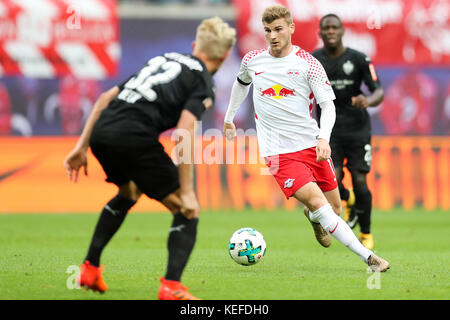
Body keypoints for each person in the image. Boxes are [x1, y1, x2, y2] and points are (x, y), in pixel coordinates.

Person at [64, 16, 236, 300]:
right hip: (134, 135)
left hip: (103, 131)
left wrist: (81, 147)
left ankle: (90, 268)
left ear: (195, 45)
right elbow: (183, 133)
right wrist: (189, 193)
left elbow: (106, 97)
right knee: (186, 209)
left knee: (130, 190)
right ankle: (172, 287)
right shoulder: (203, 81)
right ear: (225, 55)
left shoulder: (164, 58)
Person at [223, 5, 389, 272]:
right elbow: (241, 84)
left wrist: (323, 139)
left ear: (291, 28)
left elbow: (329, 106)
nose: (273, 35)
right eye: (268, 31)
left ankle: (314, 218)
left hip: (311, 145)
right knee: (317, 202)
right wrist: (229, 118)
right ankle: (369, 258)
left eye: (278, 29)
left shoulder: (308, 63)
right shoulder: (252, 59)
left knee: (333, 210)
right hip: (278, 153)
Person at [312, 14, 384, 250]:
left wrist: (368, 100)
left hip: (357, 129)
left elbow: (378, 91)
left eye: (334, 27)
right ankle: (348, 199)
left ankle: (366, 232)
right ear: (321, 33)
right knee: (333, 180)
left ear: (342, 31)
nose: (330, 31)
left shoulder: (359, 59)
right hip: (328, 130)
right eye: (326, 28)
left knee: (361, 181)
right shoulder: (313, 61)